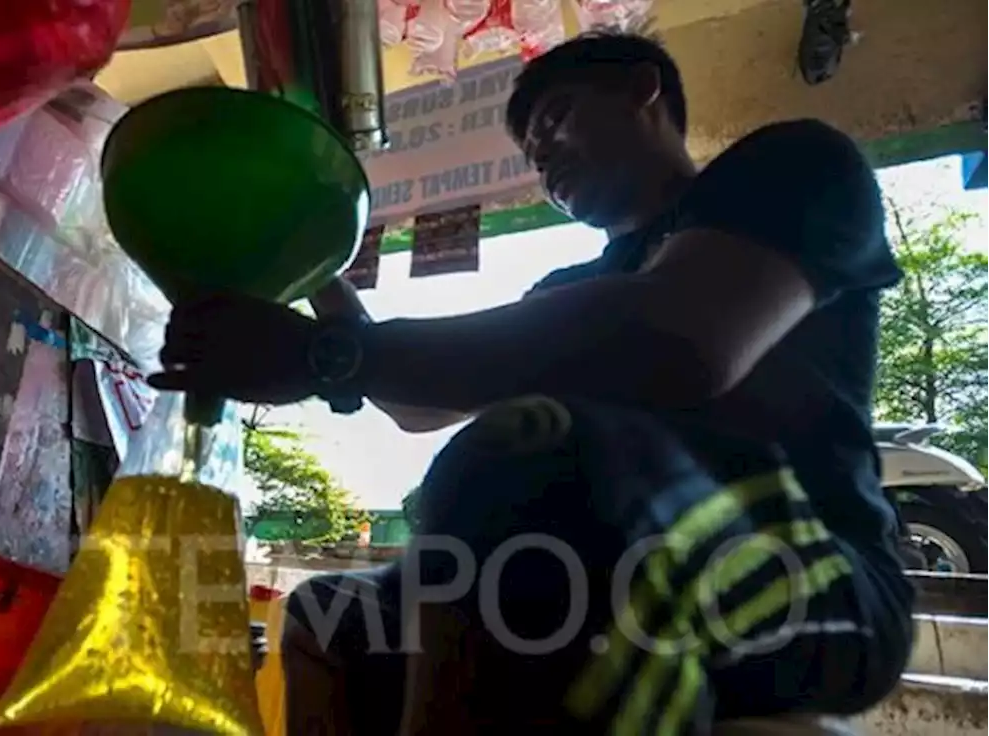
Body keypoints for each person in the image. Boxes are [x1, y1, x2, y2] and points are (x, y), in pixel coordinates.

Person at [149, 31, 914, 733]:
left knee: (521, 446)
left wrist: (323, 355)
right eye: (529, 150)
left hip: (816, 583)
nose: (541, 156)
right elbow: (416, 404)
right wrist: (315, 263)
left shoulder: (792, 170)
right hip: (614, 569)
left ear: (645, 90)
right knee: (333, 613)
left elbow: (685, 339)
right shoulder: (570, 287)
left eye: (554, 119)